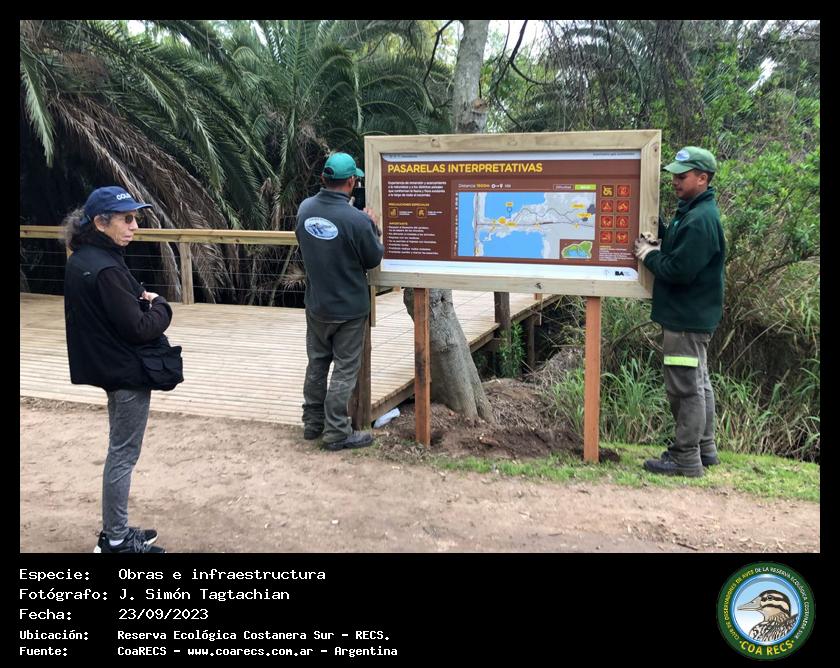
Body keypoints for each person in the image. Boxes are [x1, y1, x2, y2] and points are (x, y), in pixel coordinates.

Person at [64, 186, 172, 552]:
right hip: (126, 372)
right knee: (123, 454)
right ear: (100, 222)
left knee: (119, 450)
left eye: (135, 218)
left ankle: (117, 529)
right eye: (127, 219)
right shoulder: (107, 268)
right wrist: (162, 306)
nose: (134, 226)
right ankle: (116, 539)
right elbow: (139, 328)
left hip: (107, 365)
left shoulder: (82, 257)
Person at [634, 146, 725, 477]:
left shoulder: (700, 220)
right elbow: (680, 249)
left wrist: (648, 255)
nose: (675, 181)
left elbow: (679, 271)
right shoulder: (692, 211)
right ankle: (705, 449)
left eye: (682, 176)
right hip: (692, 316)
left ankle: (685, 457)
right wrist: (659, 231)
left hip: (686, 319)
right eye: (674, 175)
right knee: (699, 382)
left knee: (685, 388)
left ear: (703, 179)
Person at [295, 153, 384, 450]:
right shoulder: (357, 220)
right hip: (349, 310)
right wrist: (372, 226)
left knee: (317, 364)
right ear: (352, 182)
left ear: (323, 178)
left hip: (317, 305)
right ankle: (336, 431)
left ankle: (312, 423)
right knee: (345, 369)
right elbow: (373, 258)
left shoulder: (305, 209)